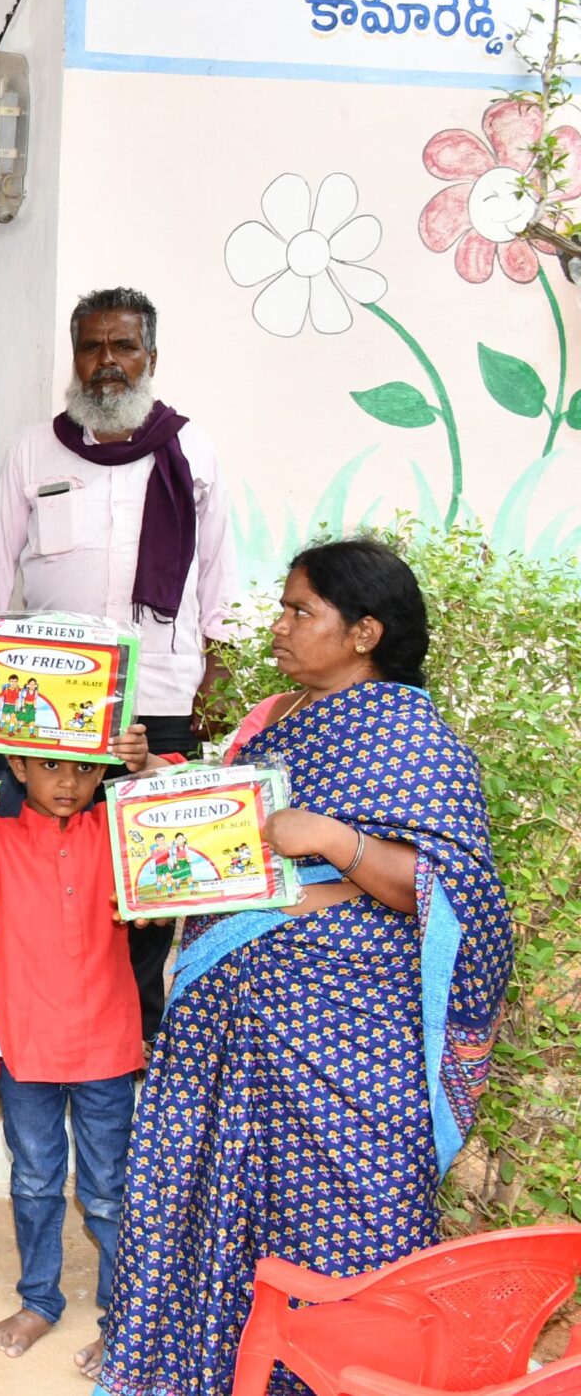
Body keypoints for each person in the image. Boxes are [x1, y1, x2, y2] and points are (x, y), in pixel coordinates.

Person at [98, 540, 512, 1396]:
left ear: (364, 632)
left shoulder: (411, 736)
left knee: (350, 1220)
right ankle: (206, 1371)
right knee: (210, 1208)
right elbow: (231, 842)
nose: (279, 628)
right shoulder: (273, 717)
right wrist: (155, 796)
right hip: (230, 1028)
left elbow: (453, 889)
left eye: (300, 612)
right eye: (283, 609)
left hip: (342, 1041)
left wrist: (334, 840)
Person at [0, 286, 235, 1041]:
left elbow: (221, 575)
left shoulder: (192, 450)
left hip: (161, 697)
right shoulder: (35, 450)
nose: (107, 362)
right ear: (75, 358)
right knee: (40, 875)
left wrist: (219, 676)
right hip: (52, 705)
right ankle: (33, 1034)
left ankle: (133, 1037)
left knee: (149, 875)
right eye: (92, 347)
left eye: (124, 346)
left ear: (151, 357)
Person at [0, 711, 158, 1372]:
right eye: (50, 765)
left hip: (106, 1043)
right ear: (19, 766)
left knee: (109, 1187)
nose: (68, 782)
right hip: (27, 1042)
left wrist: (143, 764)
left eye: (85, 768)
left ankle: (124, 1316)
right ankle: (39, 1301)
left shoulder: (117, 832)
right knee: (34, 1180)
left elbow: (175, 809)